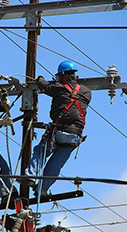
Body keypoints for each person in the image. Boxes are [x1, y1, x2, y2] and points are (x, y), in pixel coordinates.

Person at [21, 61, 92, 197]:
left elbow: (45, 87)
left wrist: (40, 79)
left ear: (65, 76)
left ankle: (30, 176)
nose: (58, 79)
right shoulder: (87, 92)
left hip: (59, 131)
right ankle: (41, 190)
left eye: (59, 77)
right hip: (75, 135)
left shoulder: (60, 88)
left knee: (41, 151)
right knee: (56, 163)